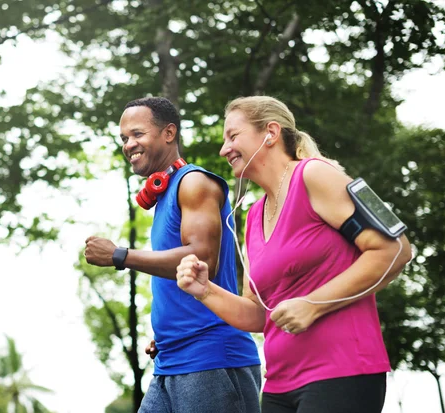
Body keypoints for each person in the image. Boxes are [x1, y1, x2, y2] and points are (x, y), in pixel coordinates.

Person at [176, 95, 412, 413]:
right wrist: (204, 290)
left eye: (233, 136)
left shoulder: (315, 175)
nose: (224, 149)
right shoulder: (253, 215)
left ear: (270, 133)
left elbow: (394, 249)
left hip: (342, 372)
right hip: (278, 385)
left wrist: (313, 304)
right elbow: (260, 314)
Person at [84, 97, 262, 413]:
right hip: (171, 359)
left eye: (137, 134)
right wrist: (166, 330)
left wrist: (119, 255)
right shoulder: (166, 194)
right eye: (124, 138)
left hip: (211, 358)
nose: (129, 144)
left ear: (169, 134)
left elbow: (202, 259)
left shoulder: (193, 183)